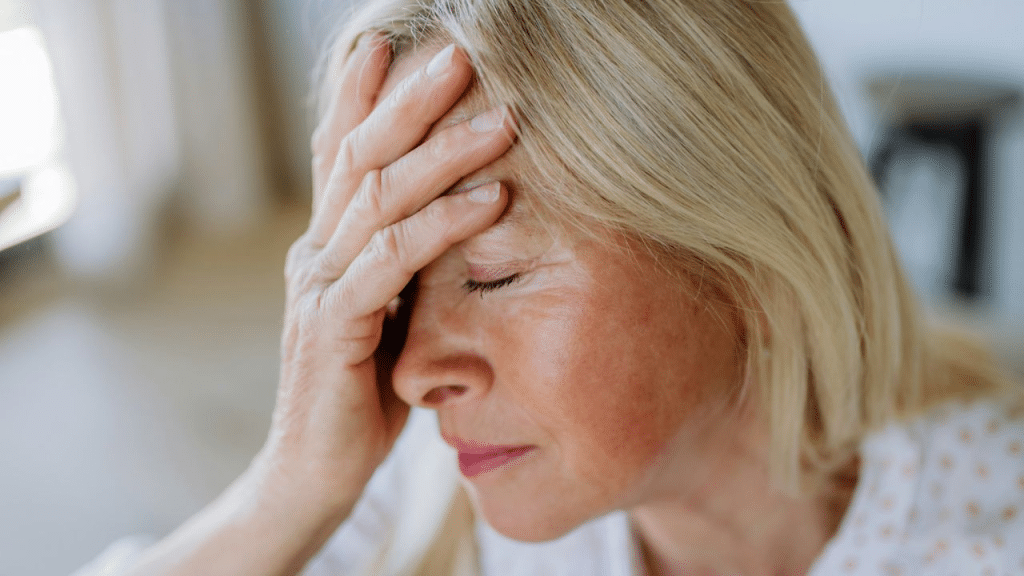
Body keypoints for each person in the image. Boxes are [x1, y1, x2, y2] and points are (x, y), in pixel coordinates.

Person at [77, 1, 1024, 575]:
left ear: (748, 264)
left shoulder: (987, 535)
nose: (410, 373)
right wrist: (282, 496)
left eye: (491, 276)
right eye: (402, 289)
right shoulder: (429, 476)